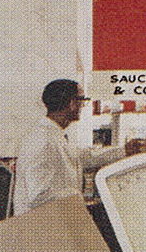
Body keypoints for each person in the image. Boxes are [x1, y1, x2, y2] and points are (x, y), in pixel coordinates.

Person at [13, 78, 113, 214]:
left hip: (55, 220)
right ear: (72, 103)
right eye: (82, 100)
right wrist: (80, 199)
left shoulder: (54, 135)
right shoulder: (43, 141)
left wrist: (124, 151)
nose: (83, 106)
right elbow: (39, 196)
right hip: (41, 228)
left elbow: (82, 156)